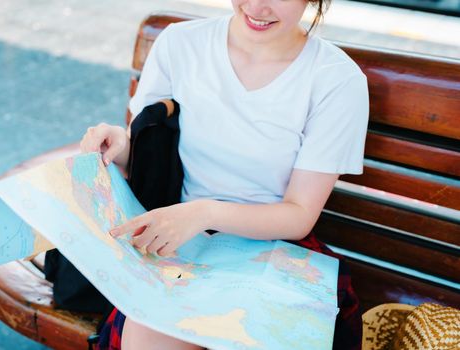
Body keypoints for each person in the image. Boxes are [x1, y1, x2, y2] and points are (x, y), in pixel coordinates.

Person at [80, 0, 369, 348]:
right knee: (148, 338)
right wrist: (119, 147)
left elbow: (299, 215)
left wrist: (203, 213)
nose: (258, 6)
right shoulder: (181, 44)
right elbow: (152, 158)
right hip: (178, 239)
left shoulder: (335, 79)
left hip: (273, 246)